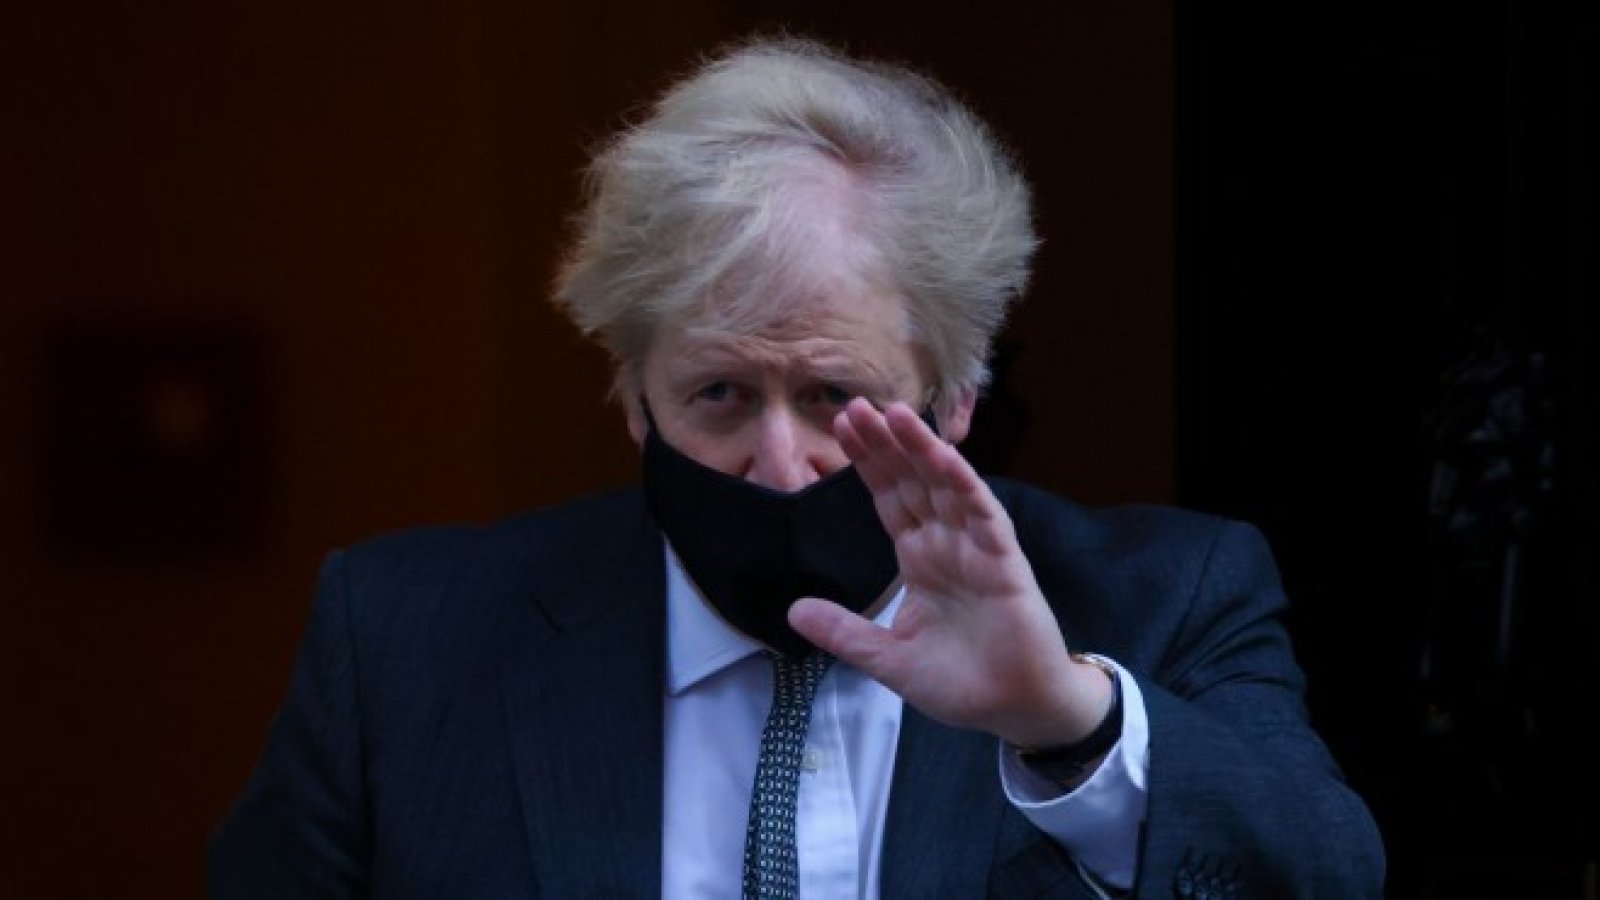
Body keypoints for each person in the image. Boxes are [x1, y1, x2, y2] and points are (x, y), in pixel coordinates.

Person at [209, 36, 1384, 898]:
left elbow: (1328, 879)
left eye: (835, 398)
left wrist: (1062, 721)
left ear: (956, 399)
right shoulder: (405, 639)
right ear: (633, 398)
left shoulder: (1163, 598)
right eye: (719, 394)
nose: (779, 467)